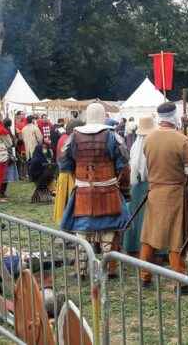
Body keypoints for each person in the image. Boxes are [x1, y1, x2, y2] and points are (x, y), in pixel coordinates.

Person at [60, 103, 130, 278]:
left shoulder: (74, 137)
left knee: (82, 230)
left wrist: (79, 176)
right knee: (109, 229)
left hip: (83, 189)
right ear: (102, 115)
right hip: (108, 188)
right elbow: (123, 163)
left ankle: (81, 270)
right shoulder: (113, 136)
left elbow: (64, 162)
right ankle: (109, 269)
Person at [140, 102, 188, 292]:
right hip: (173, 195)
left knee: (150, 236)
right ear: (174, 117)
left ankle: (145, 277)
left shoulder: (149, 139)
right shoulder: (181, 140)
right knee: (176, 238)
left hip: (155, 193)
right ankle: (180, 281)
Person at [123, 116, 156, 257]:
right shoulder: (151, 144)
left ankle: (134, 247)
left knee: (137, 218)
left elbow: (134, 166)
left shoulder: (136, 145)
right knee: (148, 219)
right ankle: (152, 250)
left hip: (137, 186)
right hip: (148, 185)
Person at [53, 119, 83, 224]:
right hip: (68, 174)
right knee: (69, 203)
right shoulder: (70, 139)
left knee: (64, 202)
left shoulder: (63, 138)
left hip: (63, 173)